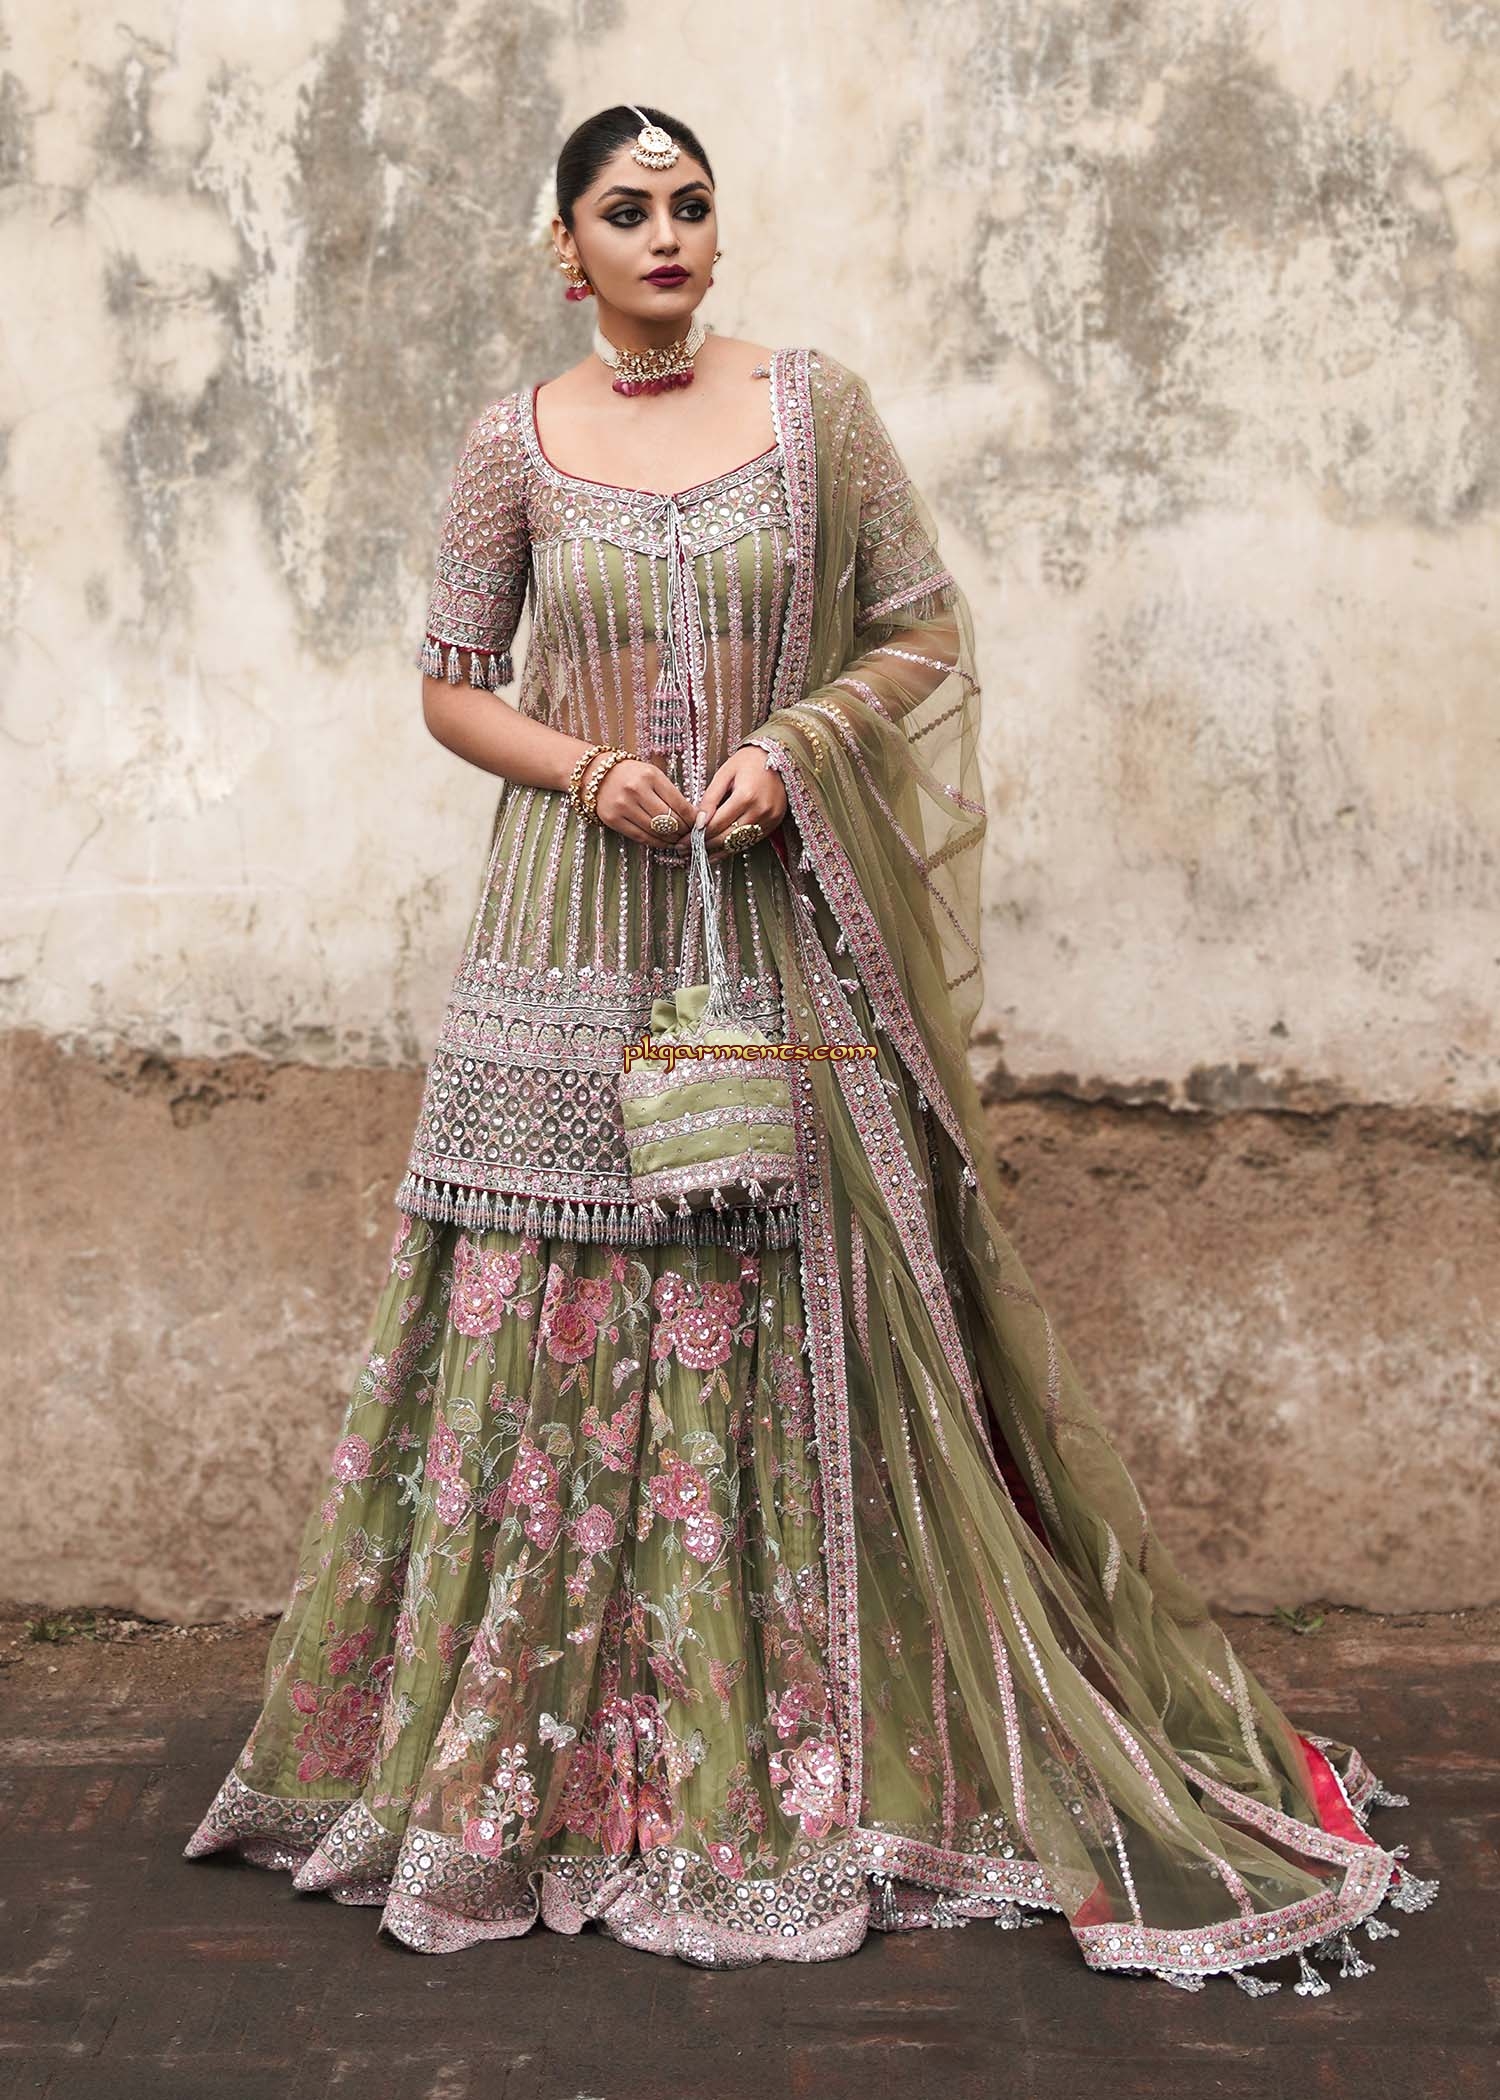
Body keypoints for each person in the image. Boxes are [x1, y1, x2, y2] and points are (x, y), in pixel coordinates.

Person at [183, 102, 1437, 1987]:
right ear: (564, 246)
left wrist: (793, 744)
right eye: (627, 209)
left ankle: (797, 1736)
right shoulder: (512, 442)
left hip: (774, 915)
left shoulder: (812, 412)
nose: (667, 234)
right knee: (559, 1283)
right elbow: (450, 684)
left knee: (779, 1279)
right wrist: (584, 765)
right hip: (574, 920)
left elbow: (919, 633)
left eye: (691, 204)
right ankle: (546, 1757)